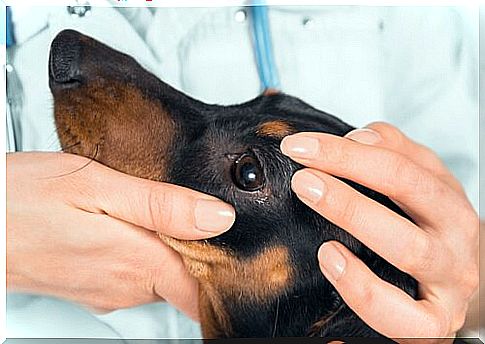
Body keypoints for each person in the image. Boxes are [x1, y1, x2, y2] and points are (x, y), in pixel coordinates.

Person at [6, 3, 479, 340]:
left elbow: (472, 288)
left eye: (248, 175)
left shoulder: (412, 22)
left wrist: (462, 274)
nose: (77, 58)